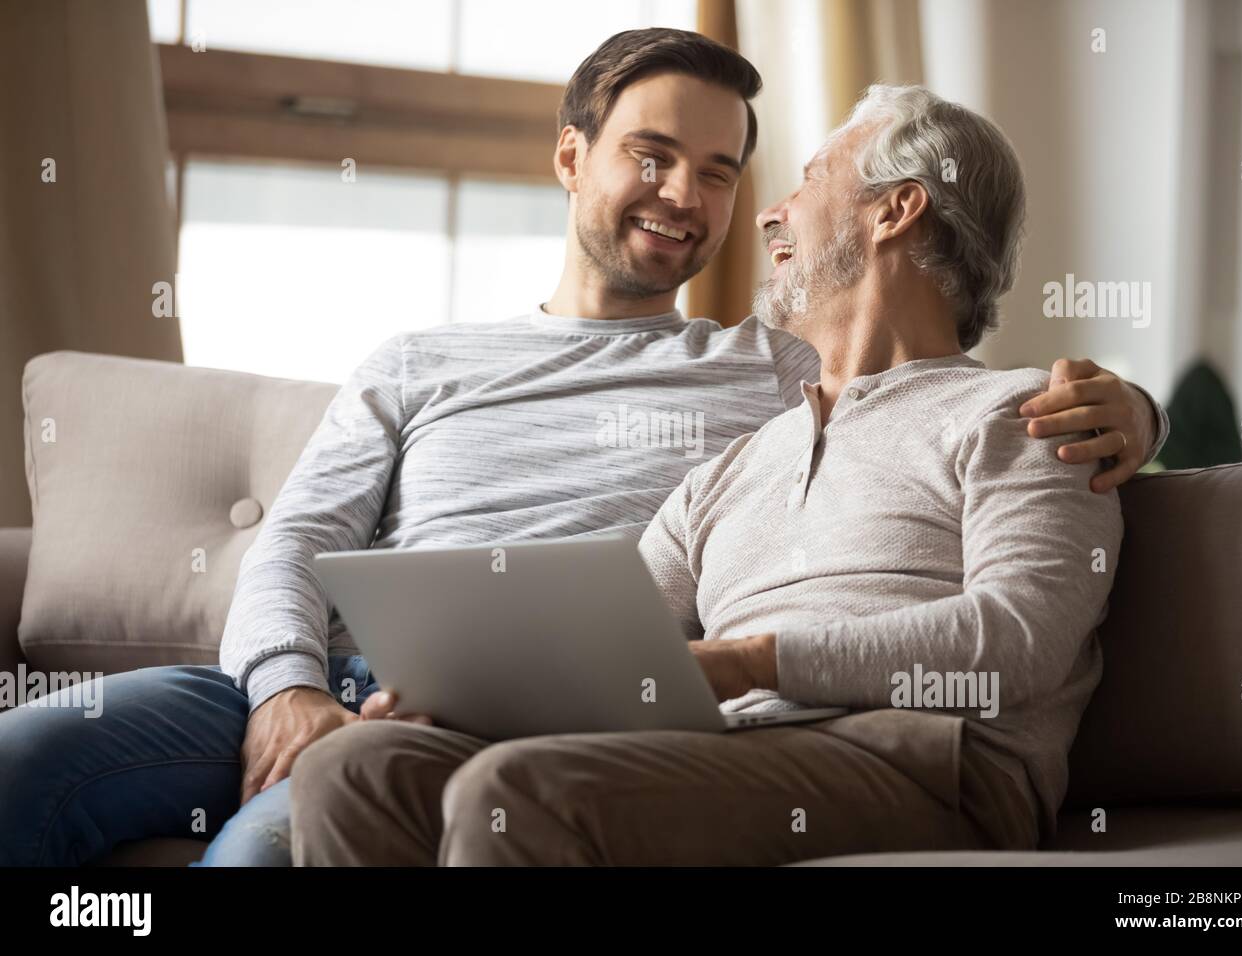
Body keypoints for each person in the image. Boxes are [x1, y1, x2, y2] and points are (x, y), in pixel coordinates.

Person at [0, 30, 1162, 867]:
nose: (722, 204)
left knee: (393, 817)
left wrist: (1135, 412)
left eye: (742, 174)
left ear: (894, 209)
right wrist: (304, 689)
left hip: (884, 743)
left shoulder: (837, 380)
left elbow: (1014, 606)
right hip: (369, 682)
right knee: (71, 753)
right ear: (572, 159)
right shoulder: (460, 372)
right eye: (653, 155)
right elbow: (310, 541)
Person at [288, 82, 1127, 866]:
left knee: (520, 790)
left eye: (808, 180)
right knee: (359, 766)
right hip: (730, 751)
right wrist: (459, 691)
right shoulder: (737, 463)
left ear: (896, 210)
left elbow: (1017, 643)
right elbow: (607, 647)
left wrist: (749, 663)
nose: (770, 214)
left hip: (929, 758)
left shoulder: (1025, 414)